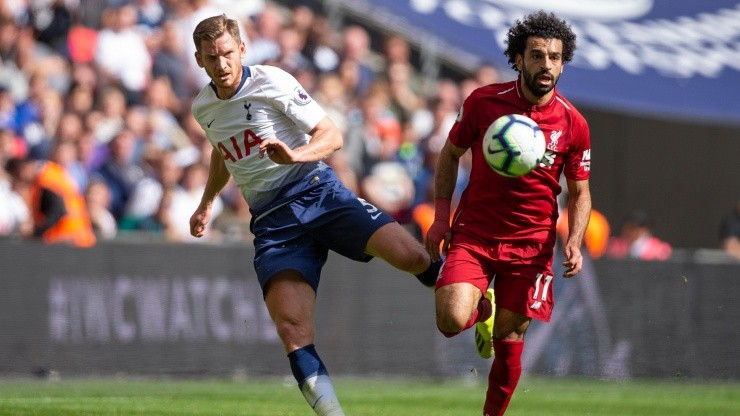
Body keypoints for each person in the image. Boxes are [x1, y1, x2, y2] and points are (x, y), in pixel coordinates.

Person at [187, 14, 440, 416]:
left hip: (317, 191)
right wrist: (206, 203)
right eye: (212, 57)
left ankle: (477, 302)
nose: (222, 64)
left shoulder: (273, 81)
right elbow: (223, 152)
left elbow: (331, 136)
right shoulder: (204, 107)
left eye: (227, 53)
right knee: (293, 331)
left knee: (412, 258)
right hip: (272, 220)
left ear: (242, 50)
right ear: (200, 60)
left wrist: (294, 154)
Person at [424, 11, 592, 416]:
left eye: (555, 57)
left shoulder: (574, 123)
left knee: (510, 338)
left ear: (563, 61)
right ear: (518, 58)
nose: (546, 65)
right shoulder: (484, 102)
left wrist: (574, 241)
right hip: (475, 235)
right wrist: (441, 216)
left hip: (531, 246)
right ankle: (484, 307)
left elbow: (581, 193)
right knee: (449, 320)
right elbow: (449, 154)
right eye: (537, 55)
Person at [606, 209, 672, 261]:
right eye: (627, 227)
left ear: (645, 230)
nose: (630, 232)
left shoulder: (658, 249)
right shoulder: (614, 246)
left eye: (633, 228)